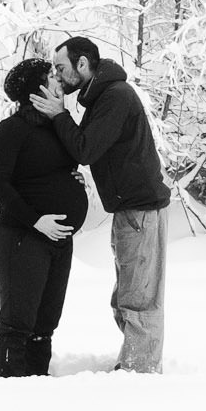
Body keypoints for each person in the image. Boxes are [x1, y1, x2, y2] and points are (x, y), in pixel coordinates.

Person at [32, 35, 171, 373]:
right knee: (127, 296)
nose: (57, 74)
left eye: (61, 68)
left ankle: (140, 373)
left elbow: (85, 149)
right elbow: (91, 149)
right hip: (130, 211)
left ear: (83, 65)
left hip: (140, 211)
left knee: (138, 299)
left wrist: (58, 115)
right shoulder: (101, 97)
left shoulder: (115, 97)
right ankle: (138, 365)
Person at [0, 57, 85, 378]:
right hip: (22, 237)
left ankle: (38, 390)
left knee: (45, 324)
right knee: (18, 322)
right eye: (52, 76)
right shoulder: (13, 129)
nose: (59, 81)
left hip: (59, 242)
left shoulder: (58, 125)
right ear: (36, 88)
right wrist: (36, 220)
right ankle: (8, 392)